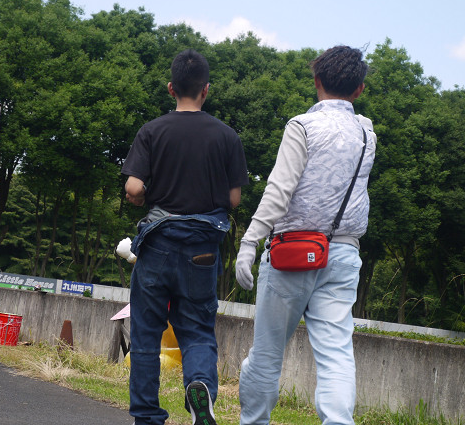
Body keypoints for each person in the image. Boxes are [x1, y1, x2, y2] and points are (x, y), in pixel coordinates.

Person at [235, 45, 377, 425]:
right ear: (359, 89)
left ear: (316, 81)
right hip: (343, 255)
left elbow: (279, 190)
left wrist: (249, 241)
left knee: (267, 354)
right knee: (336, 355)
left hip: (292, 255)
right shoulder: (367, 133)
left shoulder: (302, 126)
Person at [122, 49, 249, 425]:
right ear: (206, 90)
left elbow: (133, 188)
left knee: (146, 335)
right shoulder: (227, 136)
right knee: (197, 331)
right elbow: (234, 199)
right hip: (202, 250)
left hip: (158, 245)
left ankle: (147, 417)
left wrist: (143, 196)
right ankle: (200, 388)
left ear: (171, 88)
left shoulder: (152, 131)